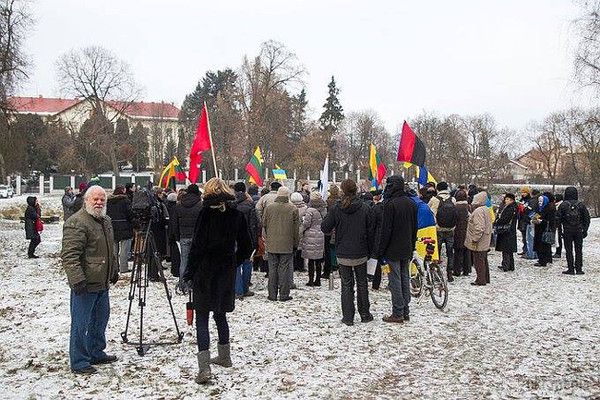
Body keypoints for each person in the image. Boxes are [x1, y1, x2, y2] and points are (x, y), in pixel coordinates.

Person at [182, 178, 252, 384]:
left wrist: (188, 273)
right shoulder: (236, 215)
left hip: (205, 272)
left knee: (202, 317)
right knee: (220, 315)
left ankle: (205, 368)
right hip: (224, 272)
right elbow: (246, 248)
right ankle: (224, 355)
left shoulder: (205, 214)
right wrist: (232, 262)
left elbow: (197, 247)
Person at [61, 185, 119, 374]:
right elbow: (70, 255)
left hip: (102, 282)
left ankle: (96, 351)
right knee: (81, 324)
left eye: (102, 199)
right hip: (85, 284)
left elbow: (110, 250)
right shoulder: (77, 222)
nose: (99, 202)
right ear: (86, 200)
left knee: (100, 320)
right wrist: (77, 280)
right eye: (95, 199)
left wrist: (114, 270)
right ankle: (79, 360)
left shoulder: (106, 220)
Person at [321, 179, 373, 326]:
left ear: (343, 191)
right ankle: (365, 314)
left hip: (343, 251)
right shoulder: (364, 208)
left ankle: (348, 317)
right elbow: (371, 230)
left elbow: (325, 227)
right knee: (362, 283)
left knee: (346, 284)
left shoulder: (337, 208)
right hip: (361, 251)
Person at [376, 176, 417, 323]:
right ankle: (405, 310)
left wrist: (380, 251)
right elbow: (414, 228)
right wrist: (412, 245)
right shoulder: (411, 203)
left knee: (395, 281)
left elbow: (385, 230)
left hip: (392, 249)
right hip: (406, 247)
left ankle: (398, 312)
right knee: (404, 279)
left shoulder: (390, 204)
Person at [262, 186, 299, 301]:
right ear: (288, 196)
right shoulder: (293, 209)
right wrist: (295, 244)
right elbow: (296, 229)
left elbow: (264, 224)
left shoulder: (269, 208)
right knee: (284, 270)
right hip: (287, 244)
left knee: (272, 269)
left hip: (272, 243)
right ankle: (284, 294)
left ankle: (272, 294)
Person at [172, 184, 203, 293]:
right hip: (198, 237)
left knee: (184, 261)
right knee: (197, 261)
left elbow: (174, 223)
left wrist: (177, 236)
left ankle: (183, 284)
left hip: (184, 236)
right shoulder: (201, 205)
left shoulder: (179, 205)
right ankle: (195, 284)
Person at [232, 182, 259, 298]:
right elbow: (254, 225)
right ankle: (245, 288)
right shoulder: (250, 205)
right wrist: (255, 240)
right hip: (247, 238)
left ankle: (238, 290)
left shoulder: (230, 205)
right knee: (247, 263)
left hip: (234, 239)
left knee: (236, 265)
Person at [557, 186, 591, 275]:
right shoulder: (581, 205)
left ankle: (571, 268)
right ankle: (579, 268)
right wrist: (585, 229)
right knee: (579, 250)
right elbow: (587, 218)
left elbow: (558, 219)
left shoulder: (563, 205)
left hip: (567, 230)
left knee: (568, 250)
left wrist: (560, 231)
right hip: (579, 230)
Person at [428, 181, 457, 281]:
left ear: (438, 189)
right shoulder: (453, 199)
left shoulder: (434, 200)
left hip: (438, 230)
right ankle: (450, 274)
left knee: (437, 252)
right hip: (450, 229)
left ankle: (436, 273)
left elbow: (431, 214)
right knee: (450, 253)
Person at [465, 191, 492, 286]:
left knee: (478, 260)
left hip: (480, 240)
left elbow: (479, 227)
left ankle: (480, 280)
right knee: (483, 259)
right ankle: (485, 278)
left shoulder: (478, 211)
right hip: (486, 238)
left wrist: (474, 239)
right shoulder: (486, 209)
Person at [300, 192, 327, 286]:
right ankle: (318, 280)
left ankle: (311, 280)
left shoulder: (310, 210)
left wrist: (302, 230)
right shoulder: (323, 209)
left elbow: (306, 223)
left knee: (311, 260)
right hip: (320, 234)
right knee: (318, 259)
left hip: (310, 235)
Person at [106, 186, 134, 273]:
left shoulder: (108, 201)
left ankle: (115, 268)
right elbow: (129, 214)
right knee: (124, 250)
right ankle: (123, 268)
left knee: (114, 250)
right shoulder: (125, 201)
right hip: (124, 227)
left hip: (112, 227)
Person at [495, 193, 518, 272]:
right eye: (506, 199)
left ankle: (506, 265)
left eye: (507, 199)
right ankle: (510, 265)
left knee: (506, 249)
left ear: (511, 200)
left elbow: (505, 219)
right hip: (510, 230)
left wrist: (498, 221)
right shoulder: (513, 207)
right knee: (509, 249)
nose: (506, 200)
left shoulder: (511, 208)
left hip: (507, 231)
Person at [322, 184, 340, 280]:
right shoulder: (341, 201)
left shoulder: (328, 202)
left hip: (329, 229)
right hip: (339, 229)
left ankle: (328, 269)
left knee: (328, 249)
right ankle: (338, 267)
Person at [533, 193, 556, 267]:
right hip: (539, 228)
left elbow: (550, 220)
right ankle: (545, 259)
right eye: (539, 201)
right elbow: (537, 215)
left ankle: (543, 261)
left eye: (541, 201)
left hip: (544, 229)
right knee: (543, 245)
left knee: (543, 245)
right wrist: (534, 218)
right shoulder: (540, 208)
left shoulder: (549, 209)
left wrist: (541, 221)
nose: (539, 203)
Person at [452, 189, 471, 276]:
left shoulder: (455, 208)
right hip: (468, 232)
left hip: (458, 232)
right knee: (466, 251)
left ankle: (457, 270)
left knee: (457, 252)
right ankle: (467, 270)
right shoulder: (469, 207)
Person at [369, 190, 384, 290]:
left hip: (377, 237)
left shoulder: (377, 208)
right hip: (388, 237)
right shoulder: (388, 207)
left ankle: (375, 283)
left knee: (376, 260)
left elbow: (371, 225)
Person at [291, 192, 308, 272]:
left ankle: (293, 265)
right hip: (302, 230)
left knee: (293, 248)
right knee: (301, 248)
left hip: (292, 230)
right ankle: (301, 266)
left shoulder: (290, 207)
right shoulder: (305, 208)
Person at [165, 192, 181, 278]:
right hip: (176, 232)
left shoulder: (167, 206)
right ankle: (176, 270)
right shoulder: (176, 208)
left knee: (173, 251)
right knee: (176, 253)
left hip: (171, 231)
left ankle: (174, 269)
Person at [523, 189, 540, 260]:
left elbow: (529, 210)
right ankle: (535, 254)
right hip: (536, 220)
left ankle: (531, 254)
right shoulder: (539, 201)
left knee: (530, 238)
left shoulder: (532, 201)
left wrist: (530, 219)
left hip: (531, 221)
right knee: (535, 238)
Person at [517, 186, 532, 256]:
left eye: (524, 192)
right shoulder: (521, 200)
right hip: (521, 219)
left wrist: (523, 208)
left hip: (526, 220)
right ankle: (524, 249)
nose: (523, 194)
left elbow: (529, 210)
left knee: (526, 236)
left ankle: (527, 250)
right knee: (523, 236)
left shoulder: (529, 200)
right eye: (522, 192)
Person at [553, 193, 564, 258]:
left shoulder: (560, 205)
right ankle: (557, 251)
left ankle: (558, 252)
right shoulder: (557, 205)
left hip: (559, 225)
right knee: (557, 238)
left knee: (558, 238)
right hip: (557, 224)